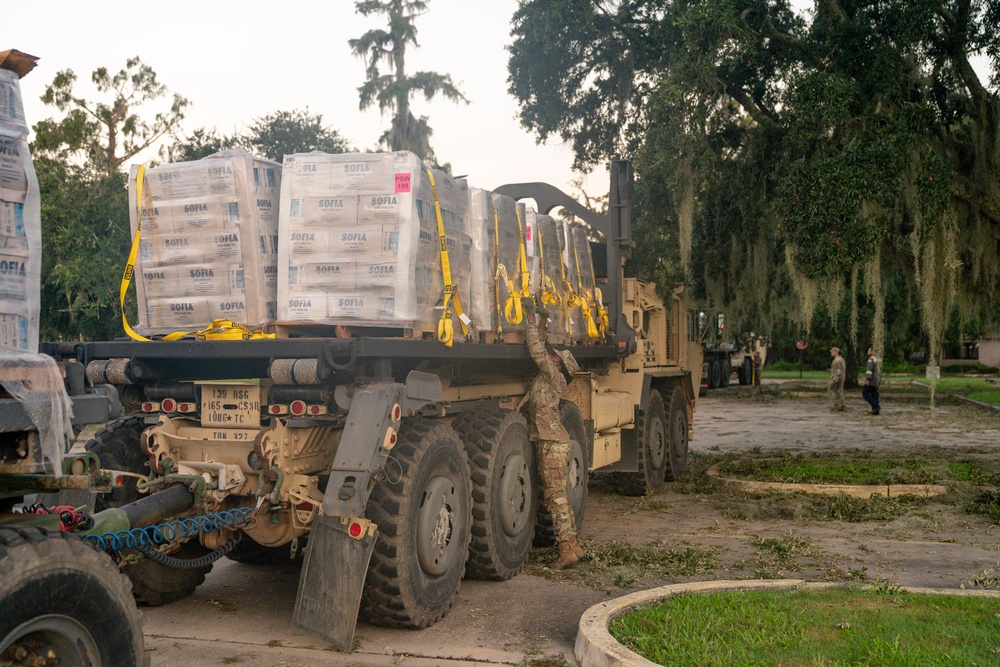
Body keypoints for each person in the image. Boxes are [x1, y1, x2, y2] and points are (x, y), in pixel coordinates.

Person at [523, 297, 584, 569]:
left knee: (555, 498)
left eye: (555, 357)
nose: (552, 356)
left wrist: (528, 318)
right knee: (560, 496)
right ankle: (573, 546)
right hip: (554, 442)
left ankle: (566, 550)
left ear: (559, 365)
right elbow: (544, 345)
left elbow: (537, 350)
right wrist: (543, 319)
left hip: (551, 444)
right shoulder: (554, 376)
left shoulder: (552, 375)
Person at [863, 347, 882, 415]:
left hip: (872, 380)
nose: (868, 351)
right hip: (878, 380)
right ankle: (875, 411)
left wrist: (868, 379)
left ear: (873, 351)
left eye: (869, 350)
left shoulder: (871, 359)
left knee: (865, 393)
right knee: (875, 395)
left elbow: (869, 370)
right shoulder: (879, 359)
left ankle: (876, 406)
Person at [828, 347, 847, 412]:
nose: (831, 353)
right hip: (841, 378)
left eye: (832, 352)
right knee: (840, 391)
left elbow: (838, 371)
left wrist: (834, 379)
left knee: (830, 389)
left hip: (837, 378)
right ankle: (843, 406)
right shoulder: (841, 359)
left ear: (836, 352)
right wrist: (832, 370)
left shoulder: (837, 360)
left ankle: (836, 404)